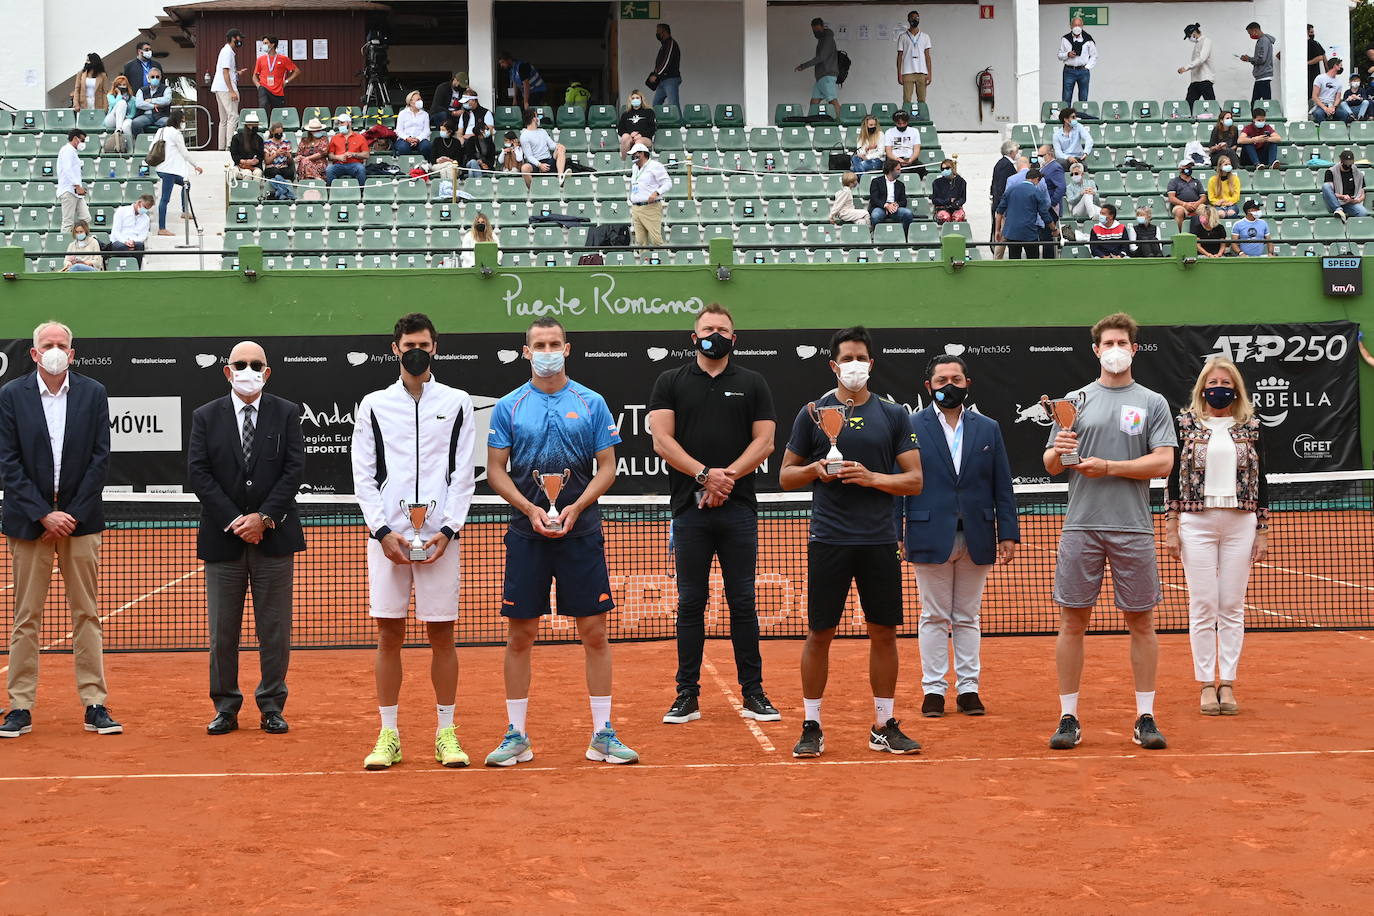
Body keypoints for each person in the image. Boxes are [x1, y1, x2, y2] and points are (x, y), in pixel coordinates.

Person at [482, 319, 638, 767]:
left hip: (582, 532)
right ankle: (516, 736)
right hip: (525, 533)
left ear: (567, 349)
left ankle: (602, 734)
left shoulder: (591, 402)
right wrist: (531, 510)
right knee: (520, 635)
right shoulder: (509, 406)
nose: (547, 350)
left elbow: (607, 467)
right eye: (539, 345)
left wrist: (576, 506)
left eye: (554, 344)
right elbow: (496, 470)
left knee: (594, 633)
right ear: (526, 352)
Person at [780, 326, 924, 759]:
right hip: (829, 538)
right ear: (833, 365)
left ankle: (883, 724)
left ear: (871, 364)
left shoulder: (894, 415)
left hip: (879, 540)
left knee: (884, 632)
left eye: (861, 357)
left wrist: (872, 477)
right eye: (847, 358)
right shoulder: (812, 413)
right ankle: (812, 725)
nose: (855, 365)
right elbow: (786, 476)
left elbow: (915, 480)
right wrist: (816, 469)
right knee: (819, 633)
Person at [1043, 312, 1176, 752]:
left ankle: (1144, 716)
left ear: (1134, 349)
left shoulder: (1153, 402)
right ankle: (1069, 717)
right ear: (1096, 350)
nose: (1115, 350)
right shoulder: (1074, 400)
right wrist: (1061, 450)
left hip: (1133, 528)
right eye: (1108, 343)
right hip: (1081, 525)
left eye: (1123, 342)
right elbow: (1050, 463)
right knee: (1072, 621)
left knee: (1141, 622)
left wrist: (1110, 467)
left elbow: (1162, 462)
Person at [351, 313, 477, 771]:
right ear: (395, 349)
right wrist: (382, 532)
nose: (416, 351)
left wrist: (449, 529)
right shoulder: (373, 405)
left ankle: (447, 732)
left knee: (442, 634)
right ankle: (389, 734)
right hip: (388, 538)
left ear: (436, 348)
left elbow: (465, 474)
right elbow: (363, 476)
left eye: (423, 343)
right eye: (408, 344)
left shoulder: (459, 402)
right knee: (389, 635)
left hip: (442, 536)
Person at [648, 304, 779, 725]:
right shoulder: (670, 382)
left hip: (738, 511)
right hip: (689, 512)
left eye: (723, 329)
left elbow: (766, 442)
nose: (715, 334)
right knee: (690, 603)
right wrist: (705, 476)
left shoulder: (754, 382)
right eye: (708, 329)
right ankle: (686, 695)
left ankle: (753, 693)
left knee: (743, 602)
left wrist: (727, 480)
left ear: (734, 339)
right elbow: (661, 441)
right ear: (694, 337)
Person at [0, 322, 118, 740]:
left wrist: (70, 513)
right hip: (28, 523)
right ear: (33, 354)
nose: (54, 350)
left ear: (72, 353)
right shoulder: (12, 395)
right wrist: (42, 514)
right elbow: (7, 462)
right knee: (25, 617)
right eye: (46, 345)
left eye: (61, 345)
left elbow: (99, 459)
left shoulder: (93, 393)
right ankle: (19, 706)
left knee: (87, 613)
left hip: (80, 522)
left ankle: (94, 703)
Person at [188, 341, 304, 737]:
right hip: (224, 540)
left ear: (267, 372)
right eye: (241, 364)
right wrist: (237, 519)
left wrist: (264, 517)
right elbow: (199, 473)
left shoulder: (287, 413)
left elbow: (293, 470)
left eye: (257, 364)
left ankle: (272, 705)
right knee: (223, 632)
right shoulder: (205, 416)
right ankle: (226, 706)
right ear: (227, 371)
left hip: (274, 539)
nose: (249, 369)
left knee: (274, 630)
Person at [903, 355, 1017, 718]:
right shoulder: (909, 426)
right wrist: (896, 530)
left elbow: (1003, 485)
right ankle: (933, 690)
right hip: (927, 532)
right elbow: (898, 482)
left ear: (968, 383)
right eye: (941, 380)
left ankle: (969, 689)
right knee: (934, 616)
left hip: (977, 534)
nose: (948, 385)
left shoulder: (988, 428)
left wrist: (1009, 532)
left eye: (955, 378)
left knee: (967, 616)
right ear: (929, 386)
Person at [1165, 358, 1268, 719]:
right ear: (1202, 388)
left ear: (1236, 388)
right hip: (1197, 523)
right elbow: (1173, 476)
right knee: (1204, 603)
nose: (1219, 387)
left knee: (1232, 605)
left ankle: (1229, 683)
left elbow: (1262, 478)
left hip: (1242, 521)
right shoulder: (1185, 424)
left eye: (1225, 381)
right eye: (1213, 381)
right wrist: (1171, 525)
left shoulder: (1250, 426)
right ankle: (1206, 684)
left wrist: (1263, 529)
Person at [154, 110, 201, 234]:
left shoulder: (161, 130)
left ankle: (185, 211)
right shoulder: (176, 134)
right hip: (169, 170)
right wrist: (196, 165)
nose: (183, 123)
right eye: (183, 121)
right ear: (178, 121)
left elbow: (151, 147)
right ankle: (161, 228)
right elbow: (184, 152)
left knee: (186, 184)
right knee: (165, 199)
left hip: (160, 168)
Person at [995, 166, 1055, 259]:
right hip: (1029, 233)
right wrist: (1054, 229)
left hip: (1012, 233)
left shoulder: (1010, 189)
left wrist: (997, 230)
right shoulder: (1036, 192)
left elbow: (999, 212)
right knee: (1033, 262)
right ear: (1036, 179)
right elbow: (1045, 214)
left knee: (1014, 262)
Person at [796, 17, 840, 121]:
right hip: (821, 77)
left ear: (822, 27)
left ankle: (840, 122)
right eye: (813, 31)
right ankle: (811, 122)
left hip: (827, 75)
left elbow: (821, 57)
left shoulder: (828, 39)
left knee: (833, 101)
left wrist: (804, 65)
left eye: (817, 30)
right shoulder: (823, 39)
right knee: (814, 102)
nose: (815, 32)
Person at [628, 143, 670, 249]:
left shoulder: (655, 166)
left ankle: (662, 263)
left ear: (642, 154)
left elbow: (668, 183)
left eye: (634, 154)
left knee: (656, 239)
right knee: (640, 241)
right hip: (636, 207)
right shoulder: (635, 167)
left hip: (650, 207)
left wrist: (656, 193)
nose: (632, 156)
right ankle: (644, 263)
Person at [212, 29, 245, 150]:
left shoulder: (225, 51)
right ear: (233, 38)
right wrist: (231, 91)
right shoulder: (228, 52)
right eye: (239, 38)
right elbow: (225, 71)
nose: (240, 41)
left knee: (224, 120)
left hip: (219, 87)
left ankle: (221, 147)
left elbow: (228, 71)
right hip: (226, 88)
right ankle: (230, 146)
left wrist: (236, 73)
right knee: (233, 116)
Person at [518, 108, 566, 189]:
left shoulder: (543, 131)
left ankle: (560, 177)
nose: (538, 119)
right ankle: (535, 189)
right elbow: (529, 156)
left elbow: (551, 145)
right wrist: (539, 165)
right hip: (535, 164)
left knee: (560, 148)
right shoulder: (524, 136)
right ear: (534, 119)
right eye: (537, 116)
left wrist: (559, 146)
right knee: (524, 168)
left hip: (548, 161)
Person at [103, 194, 153, 267]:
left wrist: (133, 242)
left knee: (140, 246)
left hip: (135, 241)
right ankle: (124, 268)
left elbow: (143, 235)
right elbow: (116, 231)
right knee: (122, 247)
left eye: (147, 209)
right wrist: (125, 241)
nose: (145, 210)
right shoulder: (121, 211)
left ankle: (136, 269)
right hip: (119, 241)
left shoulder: (146, 219)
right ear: (139, 202)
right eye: (144, 207)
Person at [127, 66, 172, 149]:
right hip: (145, 116)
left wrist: (150, 100)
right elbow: (139, 104)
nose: (155, 78)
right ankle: (141, 145)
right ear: (148, 78)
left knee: (168, 123)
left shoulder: (166, 89)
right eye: (152, 77)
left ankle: (163, 148)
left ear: (160, 77)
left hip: (161, 115)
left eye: (157, 77)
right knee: (135, 123)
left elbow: (166, 100)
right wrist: (154, 105)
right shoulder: (141, 90)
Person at [252, 35, 299, 114]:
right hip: (264, 88)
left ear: (273, 44)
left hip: (278, 90)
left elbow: (297, 71)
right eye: (263, 43)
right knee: (263, 107)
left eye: (266, 43)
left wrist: (286, 81)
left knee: (278, 113)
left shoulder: (284, 59)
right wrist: (258, 86)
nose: (264, 45)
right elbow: (254, 76)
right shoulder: (260, 59)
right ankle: (263, 126)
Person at [868, 159, 914, 238]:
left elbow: (904, 201)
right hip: (881, 207)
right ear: (890, 170)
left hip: (894, 208)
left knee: (908, 214)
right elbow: (874, 199)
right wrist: (886, 205)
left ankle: (904, 236)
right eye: (898, 169)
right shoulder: (876, 181)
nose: (900, 171)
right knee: (875, 215)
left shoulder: (900, 184)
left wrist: (896, 204)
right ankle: (877, 237)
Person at [896, 10, 933, 106]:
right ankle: (906, 120)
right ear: (908, 19)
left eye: (917, 18)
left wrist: (929, 73)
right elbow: (900, 56)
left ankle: (921, 119)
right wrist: (899, 73)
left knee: (922, 100)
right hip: (907, 72)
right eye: (912, 17)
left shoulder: (925, 36)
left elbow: (927, 56)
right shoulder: (903, 36)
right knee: (907, 100)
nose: (915, 19)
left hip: (922, 72)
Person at [56, 129, 90, 234]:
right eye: (82, 140)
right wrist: (77, 186)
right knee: (68, 222)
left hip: (76, 192)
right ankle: (64, 248)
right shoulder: (67, 150)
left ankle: (82, 244)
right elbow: (67, 169)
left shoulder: (72, 152)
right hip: (68, 191)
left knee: (86, 219)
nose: (83, 143)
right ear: (75, 139)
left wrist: (78, 187)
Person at [989, 139, 1019, 256]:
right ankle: (997, 258)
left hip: (1000, 204)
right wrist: (1003, 208)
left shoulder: (1002, 163)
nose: (1017, 153)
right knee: (1001, 234)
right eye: (1016, 151)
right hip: (1002, 206)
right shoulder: (1005, 165)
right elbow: (1001, 187)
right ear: (1011, 152)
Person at [1058, 17, 1097, 105]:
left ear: (1082, 26)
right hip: (1069, 71)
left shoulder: (1088, 39)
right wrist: (1067, 54)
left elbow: (1094, 56)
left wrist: (1087, 67)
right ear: (1071, 26)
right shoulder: (1065, 39)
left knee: (1083, 98)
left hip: (1083, 71)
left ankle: (1082, 117)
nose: (1077, 27)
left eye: (1079, 25)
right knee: (1066, 97)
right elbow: (1060, 55)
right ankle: (1066, 117)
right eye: (1075, 25)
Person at [1323, 150, 1368, 221]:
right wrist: (1342, 196)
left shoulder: (1358, 174)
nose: (1348, 165)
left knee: (1363, 212)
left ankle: (1351, 229)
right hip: (1335, 201)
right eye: (1346, 163)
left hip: (1350, 203)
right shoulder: (1331, 172)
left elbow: (1362, 192)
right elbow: (1330, 192)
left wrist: (1355, 200)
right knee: (1326, 186)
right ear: (1341, 161)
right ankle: (1338, 209)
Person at [325, 113, 369, 186]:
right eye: (339, 123)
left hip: (355, 164)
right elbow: (330, 156)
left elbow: (366, 155)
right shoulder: (334, 138)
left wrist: (353, 154)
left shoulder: (360, 137)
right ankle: (331, 191)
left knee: (361, 169)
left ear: (349, 123)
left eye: (342, 123)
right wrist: (338, 157)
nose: (340, 125)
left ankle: (361, 191)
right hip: (338, 164)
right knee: (329, 170)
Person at [1240, 22, 1276, 104]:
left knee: (1265, 103)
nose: (1250, 36)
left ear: (1255, 30)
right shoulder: (1263, 40)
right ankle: (1256, 115)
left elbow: (1261, 59)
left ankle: (1265, 116)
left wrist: (1249, 59)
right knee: (1256, 102)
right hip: (1261, 76)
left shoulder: (1263, 41)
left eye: (1250, 33)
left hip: (1263, 75)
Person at [1178, 23, 1215, 104]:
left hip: (1205, 79)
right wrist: (1186, 68)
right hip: (1195, 80)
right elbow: (1197, 61)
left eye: (1189, 36)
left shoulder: (1206, 41)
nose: (1189, 38)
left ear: (1194, 33)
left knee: (1212, 105)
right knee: (1188, 105)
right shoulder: (1198, 44)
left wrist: (1186, 67)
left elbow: (1202, 58)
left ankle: (1224, 116)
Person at [649, 22, 682, 108]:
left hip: (670, 79)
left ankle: (678, 121)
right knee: (656, 105)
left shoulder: (670, 43)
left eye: (658, 31)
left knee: (673, 105)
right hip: (662, 80)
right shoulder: (664, 45)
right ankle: (659, 121)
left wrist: (656, 75)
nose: (657, 34)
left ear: (664, 32)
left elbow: (667, 61)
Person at [1311, 58, 1354, 125]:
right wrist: (1325, 108)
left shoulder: (1339, 81)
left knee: (1345, 114)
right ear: (1335, 66)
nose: (1341, 67)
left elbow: (1338, 98)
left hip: (1332, 106)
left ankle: (1337, 131)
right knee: (1318, 113)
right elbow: (1314, 96)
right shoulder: (1320, 78)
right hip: (1321, 105)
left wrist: (1334, 107)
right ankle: (1326, 131)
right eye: (1340, 65)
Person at [618, 90, 657, 158]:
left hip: (645, 138)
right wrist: (630, 135)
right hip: (630, 138)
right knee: (625, 137)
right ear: (630, 100)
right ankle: (625, 163)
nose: (635, 99)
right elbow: (621, 129)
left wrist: (640, 135)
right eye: (633, 98)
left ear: (641, 99)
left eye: (637, 98)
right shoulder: (625, 114)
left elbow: (652, 128)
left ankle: (638, 164)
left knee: (638, 142)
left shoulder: (649, 112)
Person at [228, 110, 265, 180]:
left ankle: (256, 190)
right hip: (240, 166)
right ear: (247, 125)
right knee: (247, 173)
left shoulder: (259, 139)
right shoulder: (236, 138)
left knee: (258, 173)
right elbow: (234, 155)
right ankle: (246, 190)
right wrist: (245, 162)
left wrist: (255, 161)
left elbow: (261, 155)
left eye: (255, 125)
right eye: (251, 125)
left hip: (255, 167)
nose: (253, 127)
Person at [1167, 161, 1205, 230]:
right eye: (1186, 167)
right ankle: (1180, 233)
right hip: (1180, 206)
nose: (1188, 168)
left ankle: (1202, 234)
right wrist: (1184, 204)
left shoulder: (1197, 181)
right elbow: (1171, 198)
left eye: (1190, 167)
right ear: (1180, 169)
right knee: (1179, 212)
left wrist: (1197, 203)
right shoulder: (1174, 181)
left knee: (1206, 210)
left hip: (1196, 205)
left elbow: (1203, 197)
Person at [262, 120, 294, 197]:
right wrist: (276, 154)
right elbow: (267, 161)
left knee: (289, 173)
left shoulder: (287, 142)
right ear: (272, 132)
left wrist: (288, 156)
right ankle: (284, 191)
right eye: (277, 133)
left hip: (284, 167)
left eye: (281, 133)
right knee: (275, 172)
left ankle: (280, 192)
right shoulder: (267, 143)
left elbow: (290, 162)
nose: (279, 134)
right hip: (272, 168)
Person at [394, 91, 432, 157]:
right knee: (403, 148)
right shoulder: (402, 113)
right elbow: (399, 131)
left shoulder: (425, 114)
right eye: (418, 100)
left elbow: (426, 130)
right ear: (411, 102)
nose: (420, 101)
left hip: (420, 139)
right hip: (404, 139)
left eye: (420, 99)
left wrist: (417, 139)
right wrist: (407, 138)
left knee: (426, 147)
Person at [931, 158, 966, 224]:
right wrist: (948, 201)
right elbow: (934, 200)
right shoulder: (937, 182)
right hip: (942, 208)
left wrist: (956, 203)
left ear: (952, 168)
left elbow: (963, 198)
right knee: (945, 217)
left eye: (947, 168)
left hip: (956, 207)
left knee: (958, 217)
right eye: (942, 169)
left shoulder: (961, 181)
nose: (945, 170)